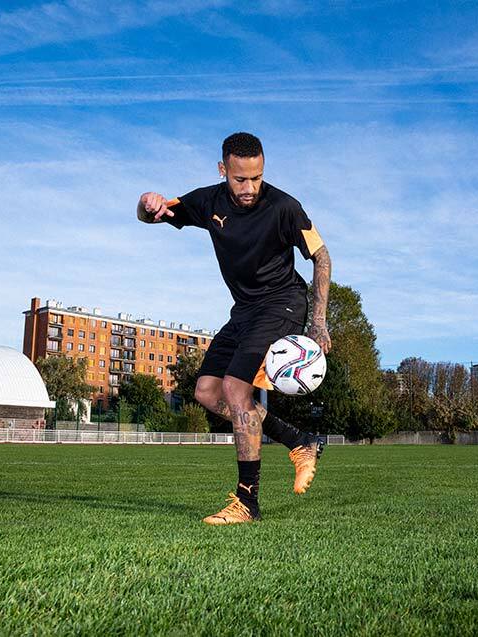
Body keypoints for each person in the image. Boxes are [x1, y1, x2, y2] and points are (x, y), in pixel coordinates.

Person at [137, 131, 332, 525]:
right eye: (240, 179)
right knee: (207, 392)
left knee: (235, 387)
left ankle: (247, 503)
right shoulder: (207, 200)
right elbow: (151, 216)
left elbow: (322, 256)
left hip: (282, 303)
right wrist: (147, 203)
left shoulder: (284, 207)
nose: (249, 188)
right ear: (223, 169)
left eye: (256, 178)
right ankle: (298, 440)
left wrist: (319, 321)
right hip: (243, 311)